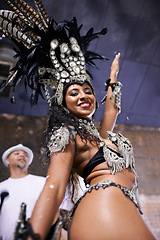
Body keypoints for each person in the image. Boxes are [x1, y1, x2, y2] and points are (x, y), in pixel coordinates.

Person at [0, 1, 156, 239]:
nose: (84, 95)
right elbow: (55, 187)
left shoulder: (99, 135)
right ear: (63, 102)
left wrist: (113, 78)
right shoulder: (66, 134)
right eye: (74, 92)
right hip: (103, 205)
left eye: (88, 90)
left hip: (122, 206)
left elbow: (111, 111)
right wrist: (34, 233)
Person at [0, 144, 46, 240]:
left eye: (25, 154)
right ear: (7, 161)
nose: (22, 155)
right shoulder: (1, 188)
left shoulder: (42, 182)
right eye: (17, 153)